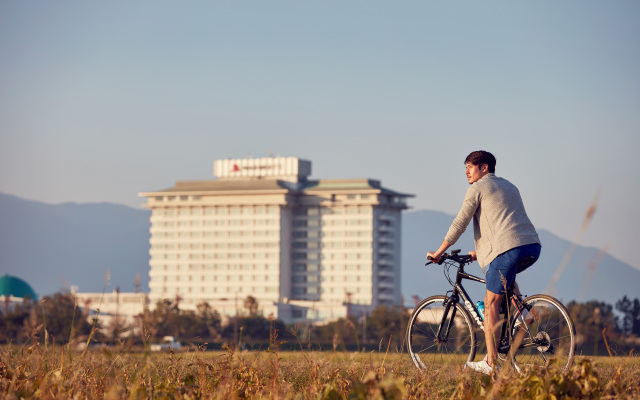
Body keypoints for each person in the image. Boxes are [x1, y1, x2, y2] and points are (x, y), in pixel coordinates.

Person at [427, 150, 541, 375]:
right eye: (466, 168)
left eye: (470, 166)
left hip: (507, 249)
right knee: (506, 282)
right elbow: (505, 226)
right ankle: (523, 313)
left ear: (485, 168)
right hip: (531, 245)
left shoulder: (478, 188)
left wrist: (439, 252)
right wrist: (478, 252)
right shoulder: (509, 186)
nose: (467, 172)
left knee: (490, 303)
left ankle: (491, 362)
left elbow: (460, 223)